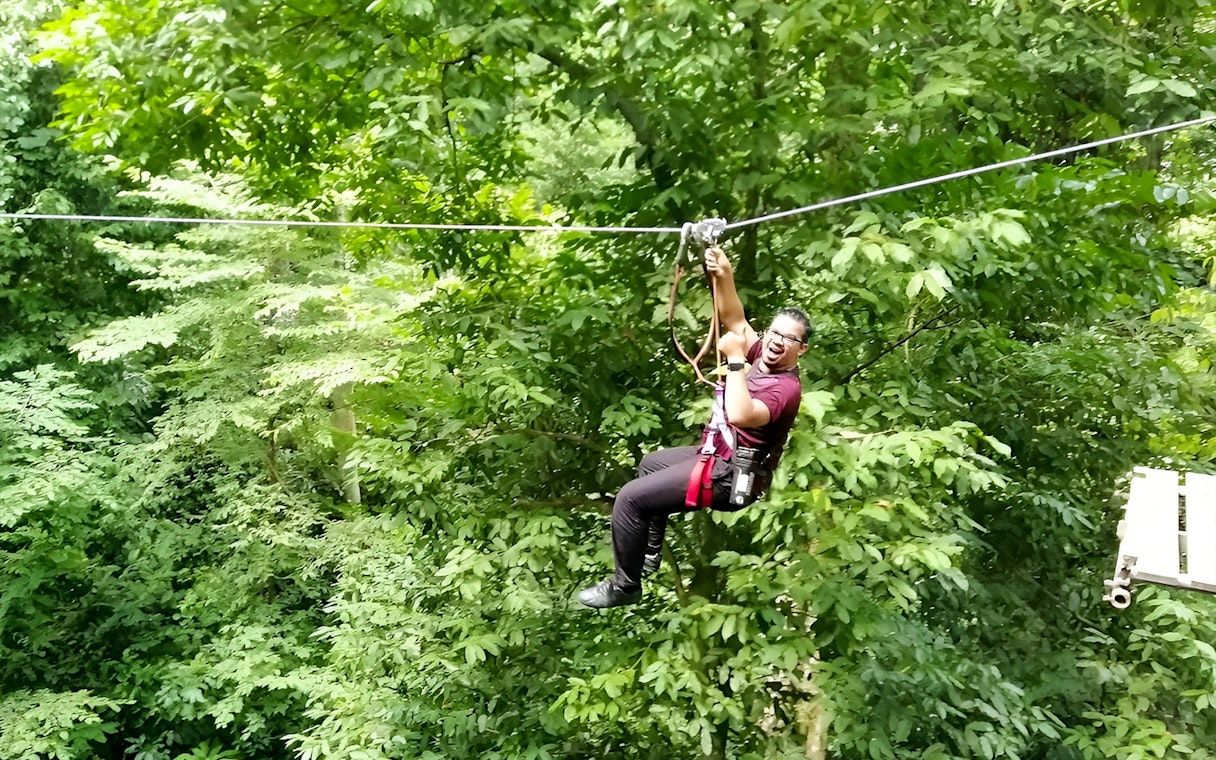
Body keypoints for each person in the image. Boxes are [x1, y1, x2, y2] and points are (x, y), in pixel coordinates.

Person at [578, 245, 810, 608]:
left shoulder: (785, 389)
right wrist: (724, 273)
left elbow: (740, 414)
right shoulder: (763, 355)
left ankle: (625, 586)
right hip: (716, 457)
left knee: (629, 498)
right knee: (650, 464)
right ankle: (649, 552)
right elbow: (734, 319)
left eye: (789, 339)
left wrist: (734, 360)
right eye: (774, 333)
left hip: (732, 477)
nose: (777, 342)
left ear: (802, 349)